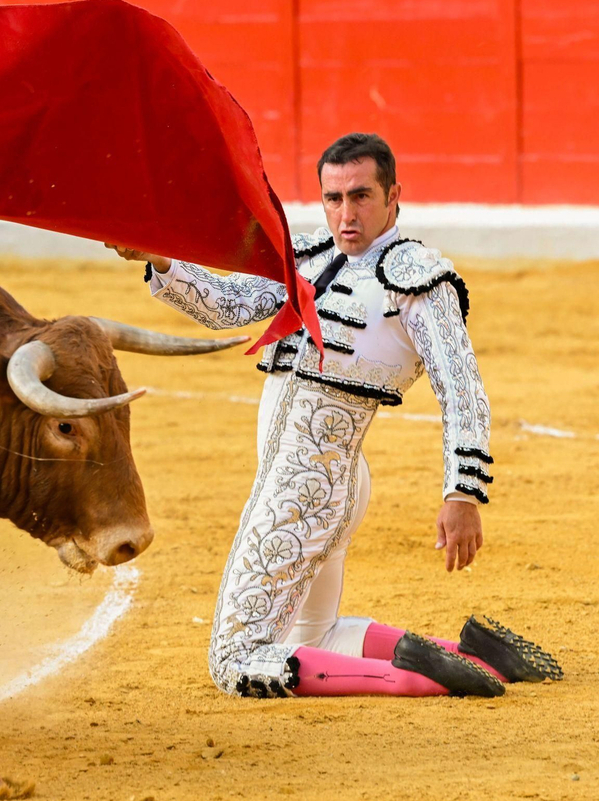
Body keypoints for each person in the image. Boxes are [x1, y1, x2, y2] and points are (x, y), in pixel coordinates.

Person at [108, 133, 562, 699]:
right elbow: (226, 306)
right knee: (314, 632)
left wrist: (462, 495)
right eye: (333, 198)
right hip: (309, 479)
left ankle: (426, 682)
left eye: (361, 196)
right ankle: (469, 657)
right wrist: (160, 260)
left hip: (310, 484)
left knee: (236, 661)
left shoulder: (418, 280)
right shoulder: (309, 258)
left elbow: (463, 392)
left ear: (395, 195)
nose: (346, 215)